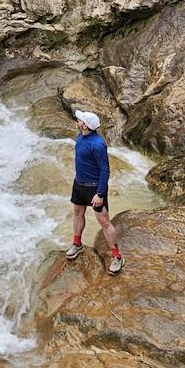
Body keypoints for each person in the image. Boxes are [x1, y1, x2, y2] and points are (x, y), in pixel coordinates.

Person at [65, 109, 125, 274]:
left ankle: (117, 257)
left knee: (104, 222)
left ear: (84, 125)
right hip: (79, 184)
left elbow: (105, 170)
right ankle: (77, 244)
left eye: (80, 120)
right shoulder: (81, 135)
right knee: (77, 214)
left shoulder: (98, 144)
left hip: (94, 188)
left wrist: (99, 194)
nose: (77, 121)